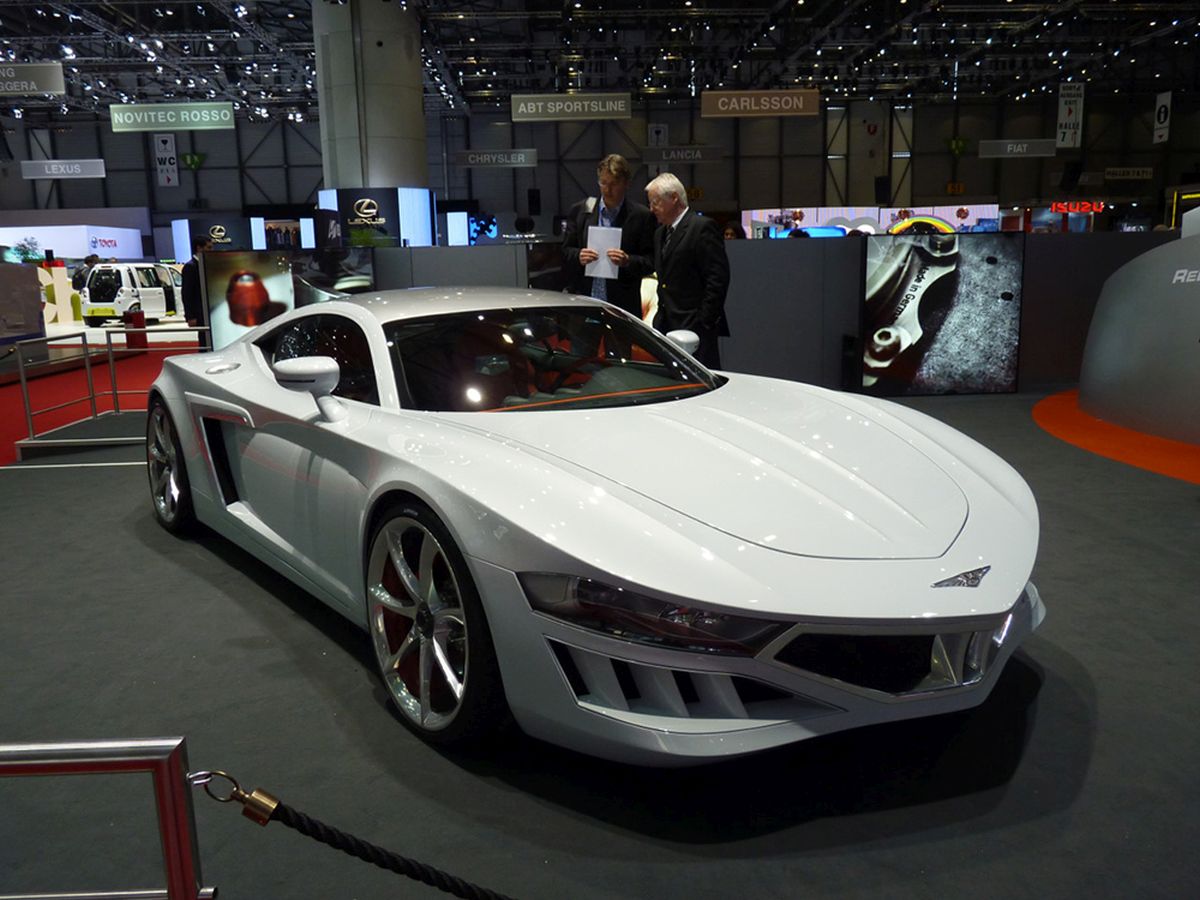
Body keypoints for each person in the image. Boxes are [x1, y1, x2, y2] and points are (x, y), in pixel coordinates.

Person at [643, 172, 730, 368]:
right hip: (666, 325)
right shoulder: (659, 234)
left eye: (655, 202)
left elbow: (717, 278)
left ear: (674, 198)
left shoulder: (701, 227)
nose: (652, 209)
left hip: (695, 328)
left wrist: (704, 321)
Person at [561, 154, 655, 320]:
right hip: (585, 302)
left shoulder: (642, 216)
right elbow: (565, 252)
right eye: (603, 183)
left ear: (626, 183)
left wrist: (627, 261)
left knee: (619, 339)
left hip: (622, 305)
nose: (607, 189)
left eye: (614, 184)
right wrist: (579, 256)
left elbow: (651, 262)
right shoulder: (581, 211)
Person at [181, 236, 212, 349]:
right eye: (208, 247)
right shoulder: (191, 267)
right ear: (199, 248)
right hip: (200, 313)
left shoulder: (207, 264)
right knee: (204, 339)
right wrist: (190, 316)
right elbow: (187, 293)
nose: (211, 250)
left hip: (209, 311)